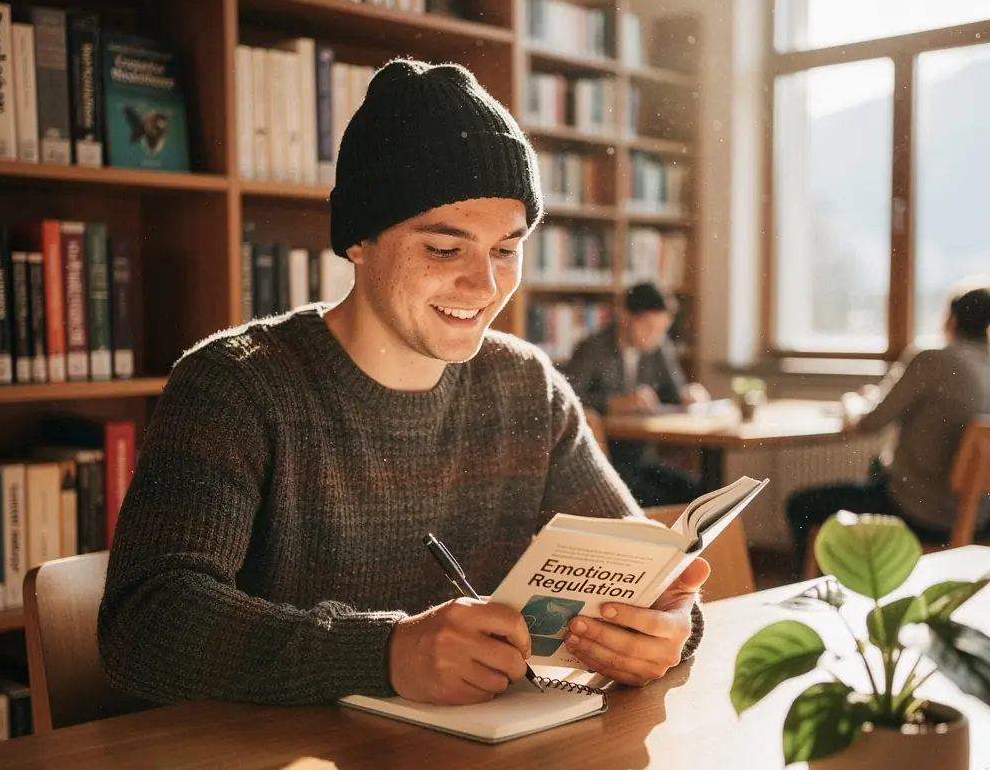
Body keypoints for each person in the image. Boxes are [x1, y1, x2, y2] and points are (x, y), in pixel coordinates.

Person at [98, 59, 709, 709]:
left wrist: (670, 627)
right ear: (359, 240)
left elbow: (646, 575)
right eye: (445, 249)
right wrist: (384, 653)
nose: (485, 286)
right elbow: (145, 621)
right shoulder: (235, 385)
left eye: (506, 250)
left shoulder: (528, 389)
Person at [786, 285, 990, 576]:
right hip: (977, 517)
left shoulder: (933, 359)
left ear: (951, 321)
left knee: (801, 504)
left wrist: (852, 404)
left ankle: (810, 596)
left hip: (919, 513)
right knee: (877, 469)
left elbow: (871, 422)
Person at [566, 282, 708, 507]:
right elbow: (567, 399)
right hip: (605, 463)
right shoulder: (593, 348)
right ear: (624, 316)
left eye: (662, 329)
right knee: (661, 499)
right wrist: (615, 403)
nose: (655, 336)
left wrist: (689, 394)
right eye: (648, 327)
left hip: (642, 459)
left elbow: (675, 393)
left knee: (701, 495)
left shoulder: (660, 346)